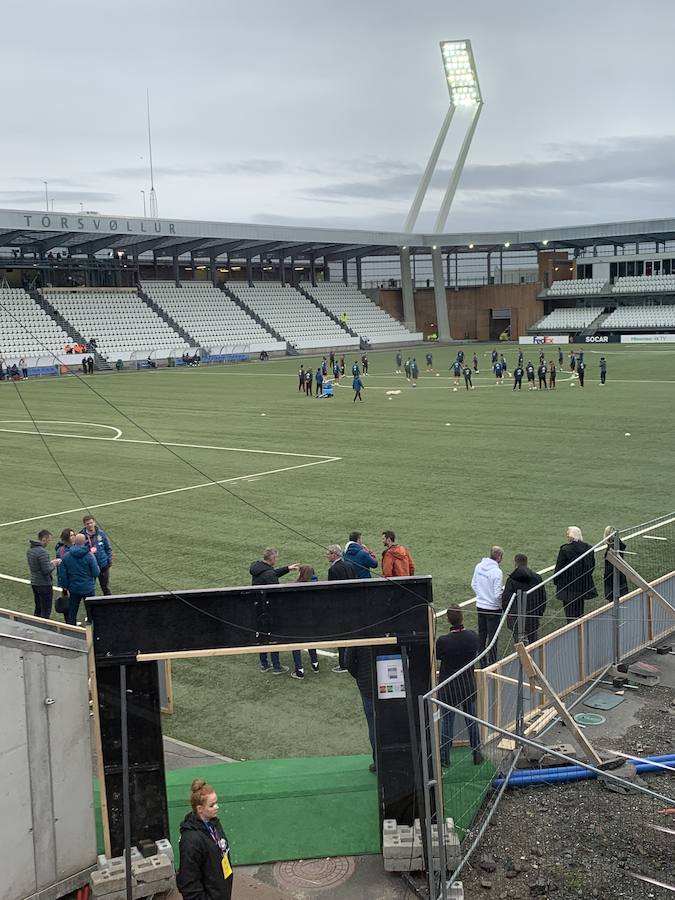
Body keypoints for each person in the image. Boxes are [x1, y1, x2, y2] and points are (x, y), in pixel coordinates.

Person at [436, 607, 482, 766]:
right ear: (462, 617)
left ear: (448, 620)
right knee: (472, 721)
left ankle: (444, 758)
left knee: (447, 723)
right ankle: (477, 754)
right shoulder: (472, 637)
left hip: (449, 688)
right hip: (467, 685)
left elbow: (437, 655)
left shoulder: (443, 641)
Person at [177, 778, 233, 900]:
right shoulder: (191, 841)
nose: (217, 807)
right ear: (200, 809)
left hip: (220, 890)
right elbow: (189, 883)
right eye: (212, 805)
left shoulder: (213, 822)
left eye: (216, 802)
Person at [250, 548, 299, 674]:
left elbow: (271, 573)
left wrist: (287, 568)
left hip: (258, 607)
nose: (277, 560)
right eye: (276, 558)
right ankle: (277, 666)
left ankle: (264, 663)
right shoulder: (268, 574)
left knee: (263, 636)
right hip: (269, 609)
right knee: (273, 636)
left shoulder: (257, 567)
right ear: (272, 559)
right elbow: (276, 592)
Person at [553, 526, 598, 622]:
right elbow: (592, 565)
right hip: (582, 586)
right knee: (579, 612)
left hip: (568, 587)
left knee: (570, 615)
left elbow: (559, 568)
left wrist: (556, 581)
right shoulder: (588, 548)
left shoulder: (565, 550)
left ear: (572, 537)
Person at [345, 644, 377, 772]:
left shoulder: (358, 632)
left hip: (367, 685)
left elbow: (348, 662)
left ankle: (378, 761)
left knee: (373, 725)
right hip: (385, 683)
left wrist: (360, 676)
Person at [502, 553, 547, 644]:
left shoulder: (511, 580)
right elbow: (543, 597)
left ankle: (521, 657)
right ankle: (535, 656)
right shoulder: (537, 577)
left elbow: (506, 599)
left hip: (516, 616)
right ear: (526, 562)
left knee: (518, 641)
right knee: (533, 640)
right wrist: (540, 612)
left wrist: (508, 613)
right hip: (532, 614)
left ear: (516, 563)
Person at [471, 546, 504, 665]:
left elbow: (473, 584)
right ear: (499, 557)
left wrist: (481, 596)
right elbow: (497, 594)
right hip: (493, 609)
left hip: (480, 606)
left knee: (482, 634)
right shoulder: (497, 572)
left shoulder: (479, 566)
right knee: (493, 637)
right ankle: (492, 661)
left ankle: (481, 660)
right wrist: (500, 604)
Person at [60, 533, 100, 625]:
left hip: (74, 588)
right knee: (91, 612)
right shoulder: (89, 556)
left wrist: (65, 586)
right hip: (88, 588)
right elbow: (96, 572)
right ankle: (92, 631)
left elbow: (63, 575)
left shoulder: (67, 556)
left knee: (72, 612)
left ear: (74, 542)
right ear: (85, 541)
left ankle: (70, 630)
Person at [326, 544, 355, 673]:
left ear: (335, 554)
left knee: (341, 636)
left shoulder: (333, 570)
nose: (327, 555)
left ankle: (343, 664)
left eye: (328, 553)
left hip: (340, 608)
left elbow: (332, 591)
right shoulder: (349, 565)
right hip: (351, 605)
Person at [291, 566, 320, 678]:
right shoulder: (317, 584)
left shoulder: (296, 586)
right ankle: (315, 664)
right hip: (312, 619)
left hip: (297, 619)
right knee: (310, 641)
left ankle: (299, 670)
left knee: (295, 644)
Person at [27, 529, 61, 618]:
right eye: (49, 540)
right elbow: (46, 570)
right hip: (44, 584)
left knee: (38, 608)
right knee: (46, 610)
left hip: (34, 582)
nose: (49, 542)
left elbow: (38, 566)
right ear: (44, 539)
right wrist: (54, 564)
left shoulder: (30, 550)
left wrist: (49, 563)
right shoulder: (42, 552)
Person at [81, 516, 113, 595]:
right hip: (90, 567)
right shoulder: (82, 536)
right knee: (90, 588)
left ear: (94, 523)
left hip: (103, 565)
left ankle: (109, 603)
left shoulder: (101, 533)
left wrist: (109, 561)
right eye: (87, 524)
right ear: (84, 525)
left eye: (91, 523)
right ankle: (92, 605)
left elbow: (108, 547)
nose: (90, 525)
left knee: (105, 587)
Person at [54, 527, 76, 621]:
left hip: (73, 578)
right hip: (67, 580)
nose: (73, 537)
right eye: (71, 535)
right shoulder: (62, 550)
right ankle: (69, 621)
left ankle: (71, 620)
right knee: (68, 602)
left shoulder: (74, 547)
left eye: (74, 535)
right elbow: (63, 567)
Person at [602, 527, 628, 602]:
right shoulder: (618, 545)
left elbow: (610, 566)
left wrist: (605, 575)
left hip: (612, 577)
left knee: (614, 599)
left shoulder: (611, 549)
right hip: (620, 573)